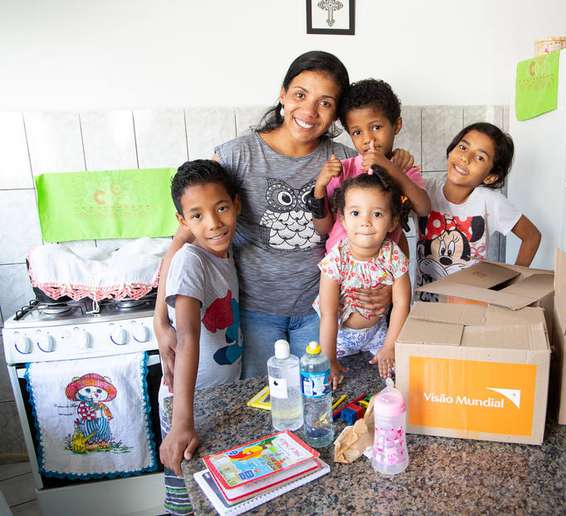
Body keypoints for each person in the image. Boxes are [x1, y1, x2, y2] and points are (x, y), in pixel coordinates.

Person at [154, 52, 410, 382]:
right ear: (283, 95)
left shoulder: (347, 163)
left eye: (325, 103)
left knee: (317, 400)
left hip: (320, 314)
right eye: (300, 95)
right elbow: (182, 241)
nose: (309, 111)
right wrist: (160, 321)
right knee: (262, 405)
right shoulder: (237, 155)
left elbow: (387, 229)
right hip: (253, 313)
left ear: (336, 115)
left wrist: (389, 290)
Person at [158, 159, 243, 515]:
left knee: (216, 500)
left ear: (236, 204)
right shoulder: (192, 261)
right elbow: (188, 335)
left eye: (221, 208)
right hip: (187, 406)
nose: (213, 224)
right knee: (186, 505)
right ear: (183, 221)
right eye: (197, 216)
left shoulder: (225, 251)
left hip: (216, 398)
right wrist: (182, 422)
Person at [416, 122, 541, 301]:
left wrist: (513, 284)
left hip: (469, 307)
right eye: (462, 147)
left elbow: (532, 236)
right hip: (424, 305)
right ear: (451, 150)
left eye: (480, 157)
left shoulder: (490, 202)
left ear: (490, 176)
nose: (465, 158)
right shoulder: (423, 189)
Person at [314, 172, 411, 389]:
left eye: (377, 214)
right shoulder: (336, 259)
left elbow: (402, 305)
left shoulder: (394, 255)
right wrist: (328, 358)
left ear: (393, 221)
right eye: (356, 213)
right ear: (343, 219)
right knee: (333, 385)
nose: (365, 222)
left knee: (395, 383)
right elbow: (328, 312)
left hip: (379, 334)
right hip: (340, 338)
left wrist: (389, 347)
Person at [311, 78, 429, 256]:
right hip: (342, 270)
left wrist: (392, 169)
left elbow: (424, 209)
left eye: (376, 127)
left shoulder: (403, 168)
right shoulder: (343, 170)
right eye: (357, 132)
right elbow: (323, 228)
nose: (368, 139)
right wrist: (319, 188)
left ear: (396, 125)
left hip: (384, 271)